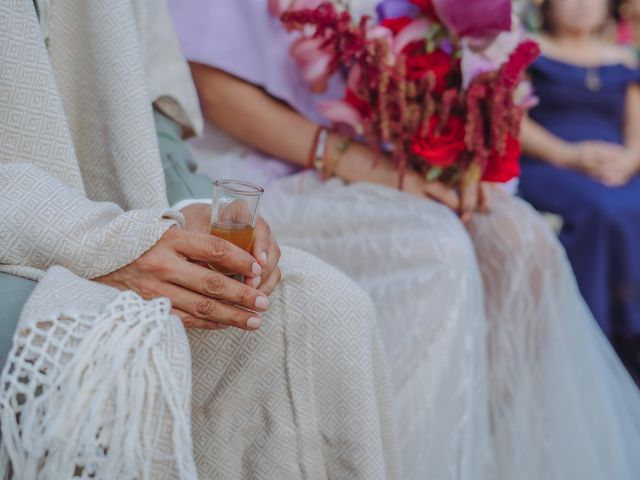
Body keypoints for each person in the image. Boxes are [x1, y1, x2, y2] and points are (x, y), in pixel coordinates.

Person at [168, 0, 640, 478]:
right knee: (435, 248)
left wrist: (470, 153)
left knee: (524, 243)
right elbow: (214, 91)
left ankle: (484, 456)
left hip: (393, 155)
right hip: (273, 165)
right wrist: (355, 162)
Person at [0, 1, 398, 478]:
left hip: (107, 211)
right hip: (17, 244)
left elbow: (148, 116)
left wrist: (194, 213)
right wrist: (100, 244)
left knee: (326, 307)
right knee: (131, 346)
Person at [518, 0, 640, 380]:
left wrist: (630, 160)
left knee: (623, 202)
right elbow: (514, 121)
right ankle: (603, 329)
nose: (584, 5)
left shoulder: (623, 58)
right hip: (550, 162)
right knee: (602, 209)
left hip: (616, 166)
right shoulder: (527, 50)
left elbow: (635, 124)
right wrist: (569, 155)